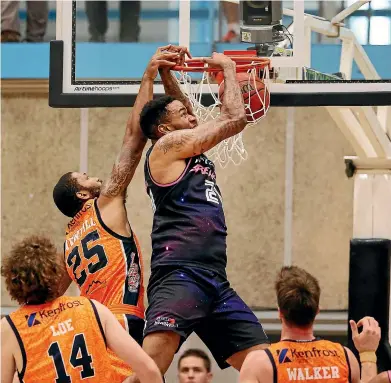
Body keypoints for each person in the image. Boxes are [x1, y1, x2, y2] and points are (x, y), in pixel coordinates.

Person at [137, 49, 269, 379]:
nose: (194, 116)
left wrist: (167, 74)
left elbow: (181, 106)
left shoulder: (177, 141)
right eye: (185, 114)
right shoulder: (166, 148)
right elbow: (236, 119)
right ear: (166, 128)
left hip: (214, 279)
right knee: (147, 373)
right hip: (180, 275)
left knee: (268, 368)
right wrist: (228, 68)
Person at [52, 46, 180, 380]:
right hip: (120, 319)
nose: (92, 175)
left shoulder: (68, 244)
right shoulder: (104, 202)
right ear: (82, 194)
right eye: (84, 176)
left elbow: (51, 294)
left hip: (86, 326)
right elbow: (134, 138)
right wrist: (149, 76)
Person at [0, 235, 162, 383]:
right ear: (56, 272)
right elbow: (149, 369)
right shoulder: (90, 308)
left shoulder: (11, 327)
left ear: (12, 283)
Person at [239, 265, 381, 383]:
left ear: (280, 312)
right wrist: (367, 353)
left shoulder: (259, 364)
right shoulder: (345, 357)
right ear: (317, 311)